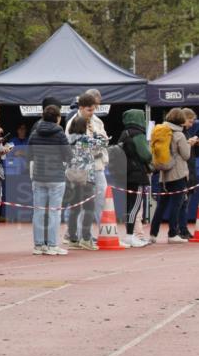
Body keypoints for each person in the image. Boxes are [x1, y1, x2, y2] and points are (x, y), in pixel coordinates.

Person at [27, 104, 71, 255]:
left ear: (42, 117)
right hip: (56, 177)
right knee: (54, 212)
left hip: (38, 176)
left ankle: (38, 245)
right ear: (58, 118)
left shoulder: (34, 133)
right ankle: (52, 245)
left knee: (38, 212)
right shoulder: (60, 134)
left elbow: (29, 154)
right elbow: (68, 155)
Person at [65, 92, 109, 235]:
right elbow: (76, 145)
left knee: (100, 200)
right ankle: (80, 235)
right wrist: (96, 144)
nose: (92, 112)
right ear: (81, 108)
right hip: (81, 169)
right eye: (89, 110)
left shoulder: (97, 121)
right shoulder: (74, 122)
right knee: (81, 204)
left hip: (96, 166)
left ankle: (102, 233)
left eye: (94, 109)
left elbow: (103, 140)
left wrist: (100, 143)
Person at [149, 108, 191, 243]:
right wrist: (189, 144)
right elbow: (186, 155)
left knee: (161, 205)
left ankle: (153, 234)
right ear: (180, 120)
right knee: (176, 204)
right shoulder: (179, 135)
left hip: (163, 175)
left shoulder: (161, 131)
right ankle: (172, 234)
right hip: (178, 174)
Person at [117, 109, 153, 247]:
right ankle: (130, 236)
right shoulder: (138, 134)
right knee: (135, 206)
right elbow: (146, 155)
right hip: (137, 174)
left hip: (125, 173)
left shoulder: (124, 133)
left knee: (128, 206)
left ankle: (129, 234)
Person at [179, 108, 199, 239]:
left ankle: (182, 229)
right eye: (190, 121)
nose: (192, 125)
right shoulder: (178, 133)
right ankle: (180, 230)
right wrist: (189, 143)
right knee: (181, 203)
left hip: (189, 171)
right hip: (182, 172)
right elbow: (180, 152)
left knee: (184, 203)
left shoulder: (185, 132)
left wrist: (195, 143)